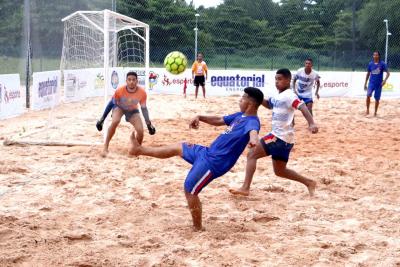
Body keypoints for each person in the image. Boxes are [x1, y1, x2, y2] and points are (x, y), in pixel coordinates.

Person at [129, 87, 264, 231]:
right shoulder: (240, 116)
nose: (240, 101)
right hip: (207, 152)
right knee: (179, 147)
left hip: (213, 162)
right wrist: (200, 116)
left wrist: (254, 141)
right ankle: (140, 150)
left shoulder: (252, 122)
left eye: (242, 98)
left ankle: (198, 227)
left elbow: (253, 132)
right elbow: (219, 119)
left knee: (190, 190)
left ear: (250, 103)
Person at [229, 68, 318, 197]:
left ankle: (245, 188)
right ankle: (309, 182)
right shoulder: (277, 96)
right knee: (280, 171)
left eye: (280, 79)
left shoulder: (289, 95)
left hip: (278, 137)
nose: (277, 82)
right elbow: (268, 104)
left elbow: (302, 107)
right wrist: (257, 96)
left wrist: (311, 123)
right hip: (286, 139)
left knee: (251, 154)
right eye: (276, 79)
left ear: (288, 80)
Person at [101, 71, 156, 157]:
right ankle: (105, 148)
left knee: (140, 131)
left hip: (132, 110)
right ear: (126, 81)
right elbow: (111, 104)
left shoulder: (142, 93)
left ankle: (135, 152)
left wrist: (149, 124)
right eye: (129, 80)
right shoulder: (119, 91)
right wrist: (102, 119)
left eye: (133, 80)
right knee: (115, 121)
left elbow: (144, 109)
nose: (131, 82)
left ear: (137, 81)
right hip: (119, 107)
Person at [364, 51, 390, 116]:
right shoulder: (370, 64)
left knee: (377, 99)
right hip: (371, 83)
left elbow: (388, 73)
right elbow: (368, 74)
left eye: (376, 55)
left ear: (379, 56)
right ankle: (367, 110)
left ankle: (375, 112)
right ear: (373, 56)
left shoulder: (382, 64)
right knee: (368, 95)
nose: (375, 56)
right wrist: (365, 83)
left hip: (379, 84)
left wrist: (384, 80)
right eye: (374, 55)